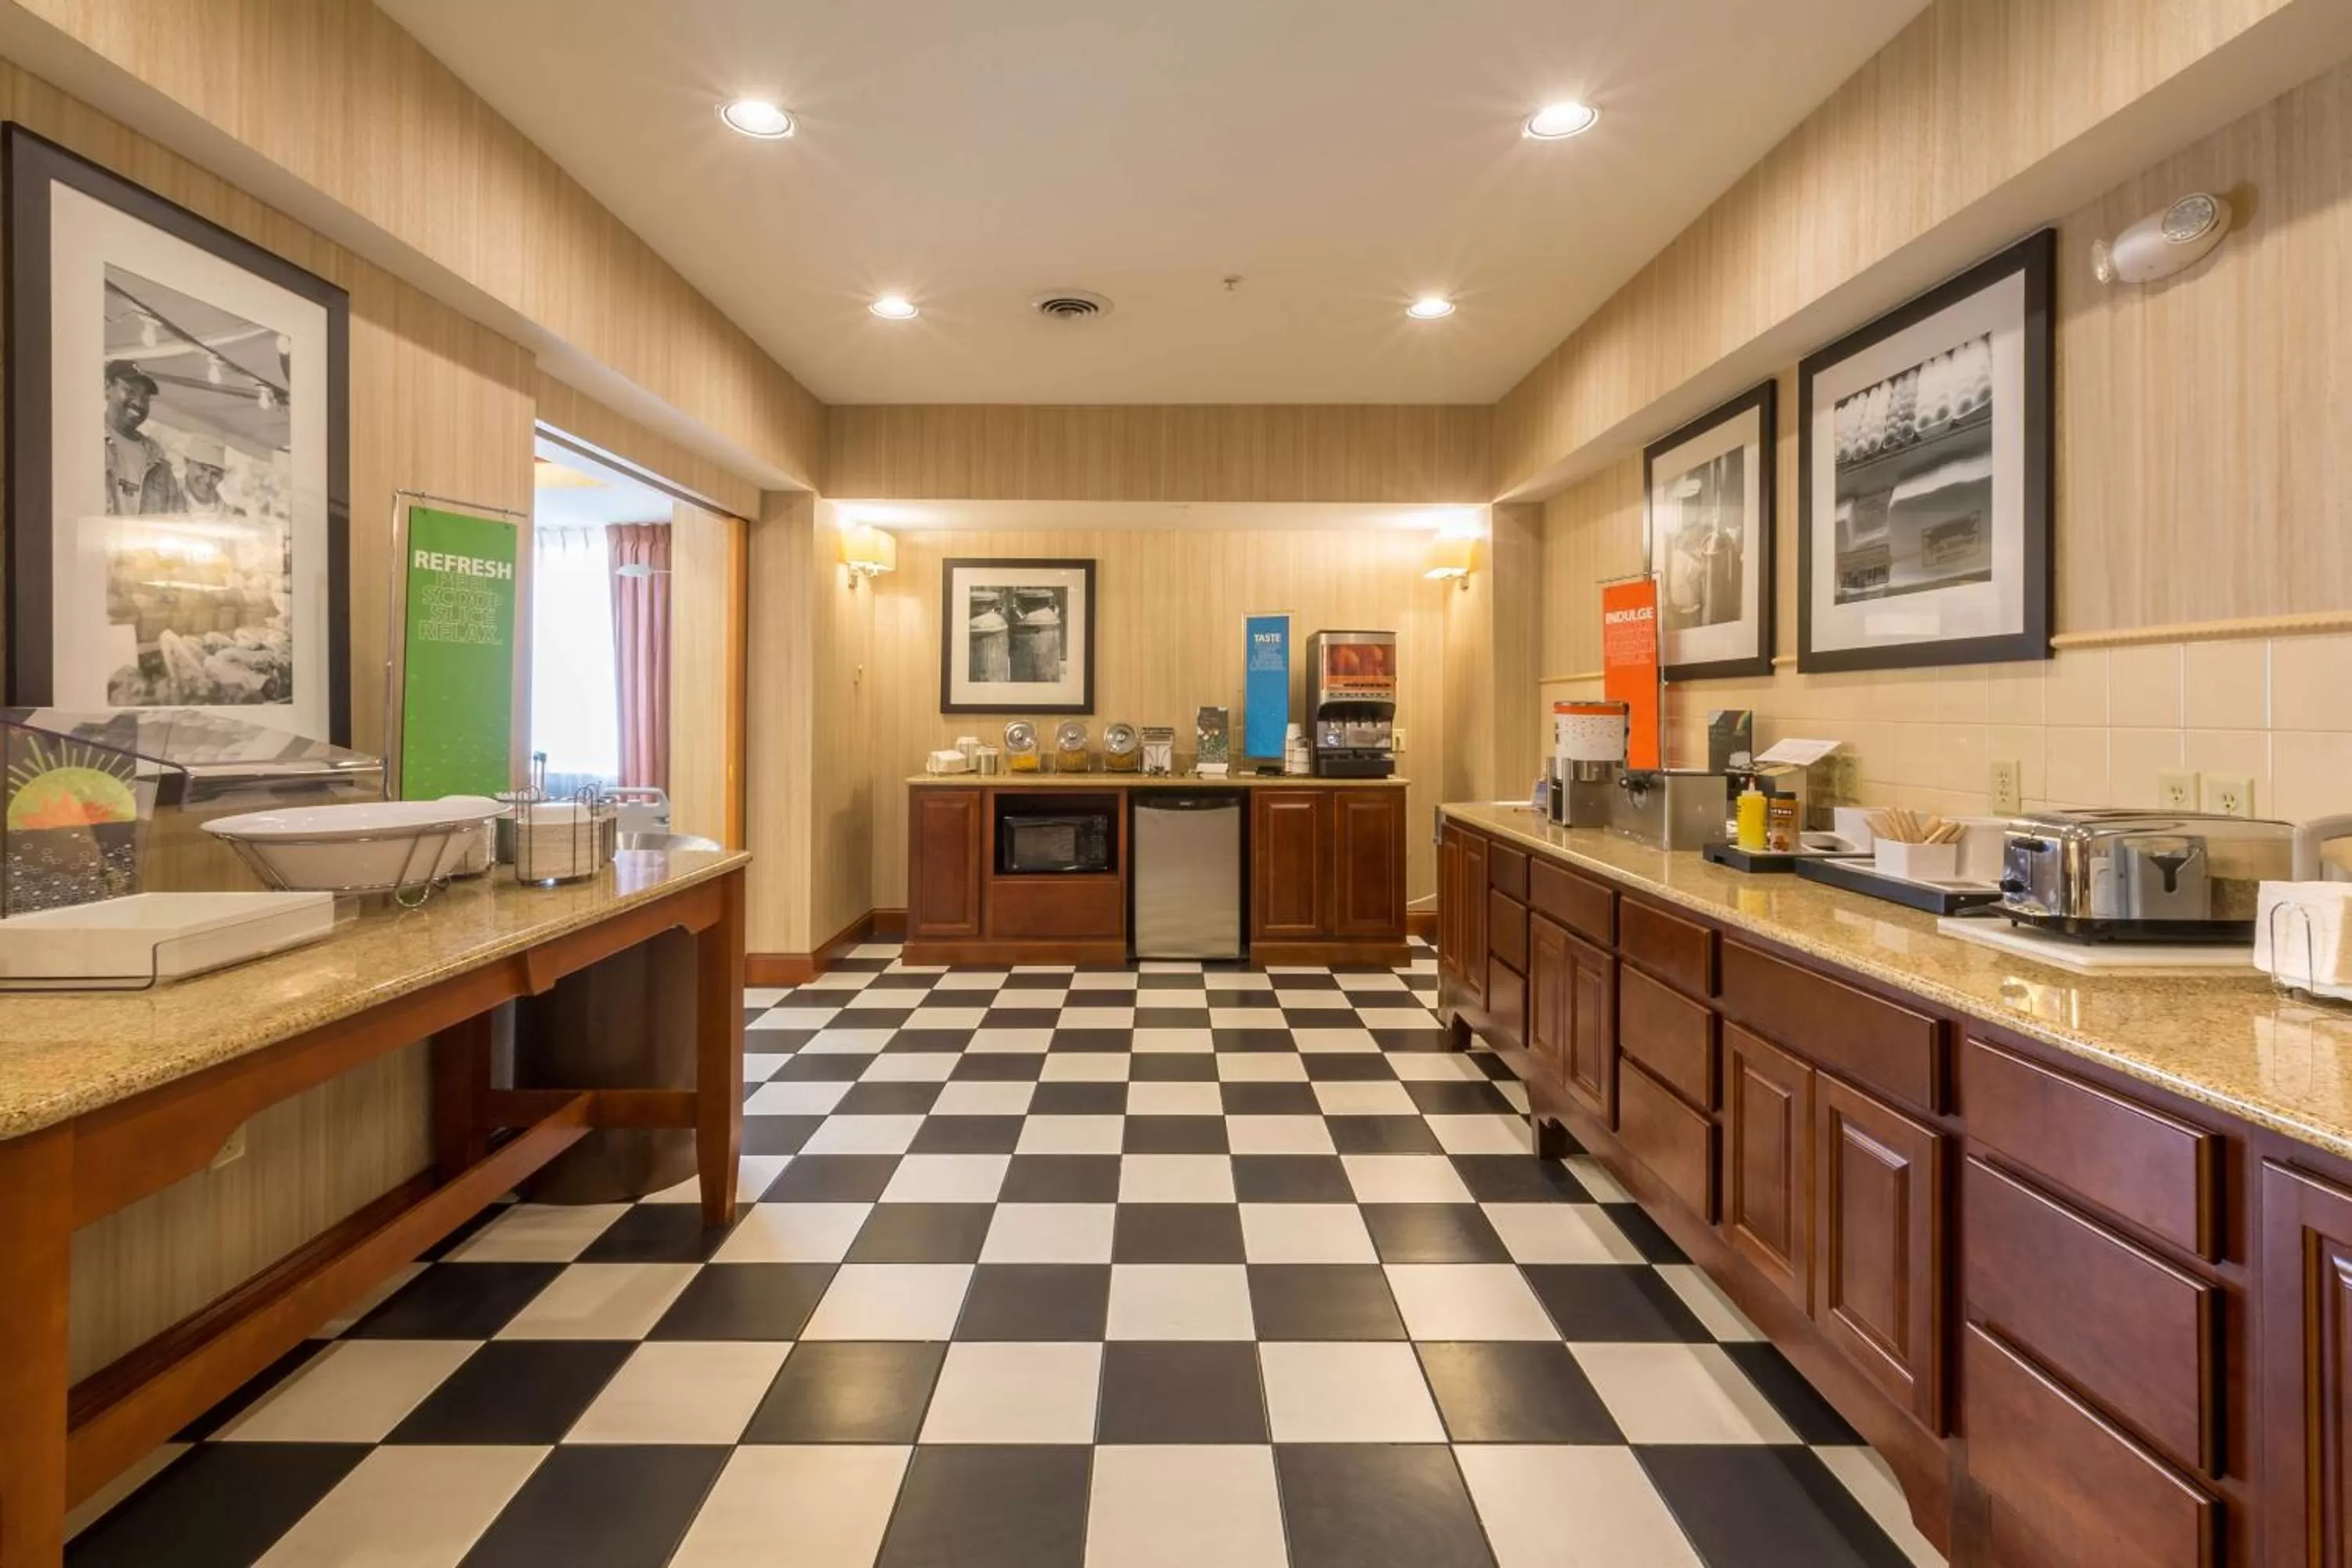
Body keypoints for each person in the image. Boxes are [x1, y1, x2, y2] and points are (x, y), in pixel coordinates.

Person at [103, 359, 183, 515]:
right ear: (107, 388)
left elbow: (178, 520)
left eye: (146, 398)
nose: (139, 403)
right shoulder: (83, 442)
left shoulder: (159, 464)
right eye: (130, 391)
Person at [180, 436, 244, 517]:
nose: (207, 479)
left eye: (215, 473)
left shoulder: (233, 515)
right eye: (203, 468)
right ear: (187, 462)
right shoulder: (168, 498)